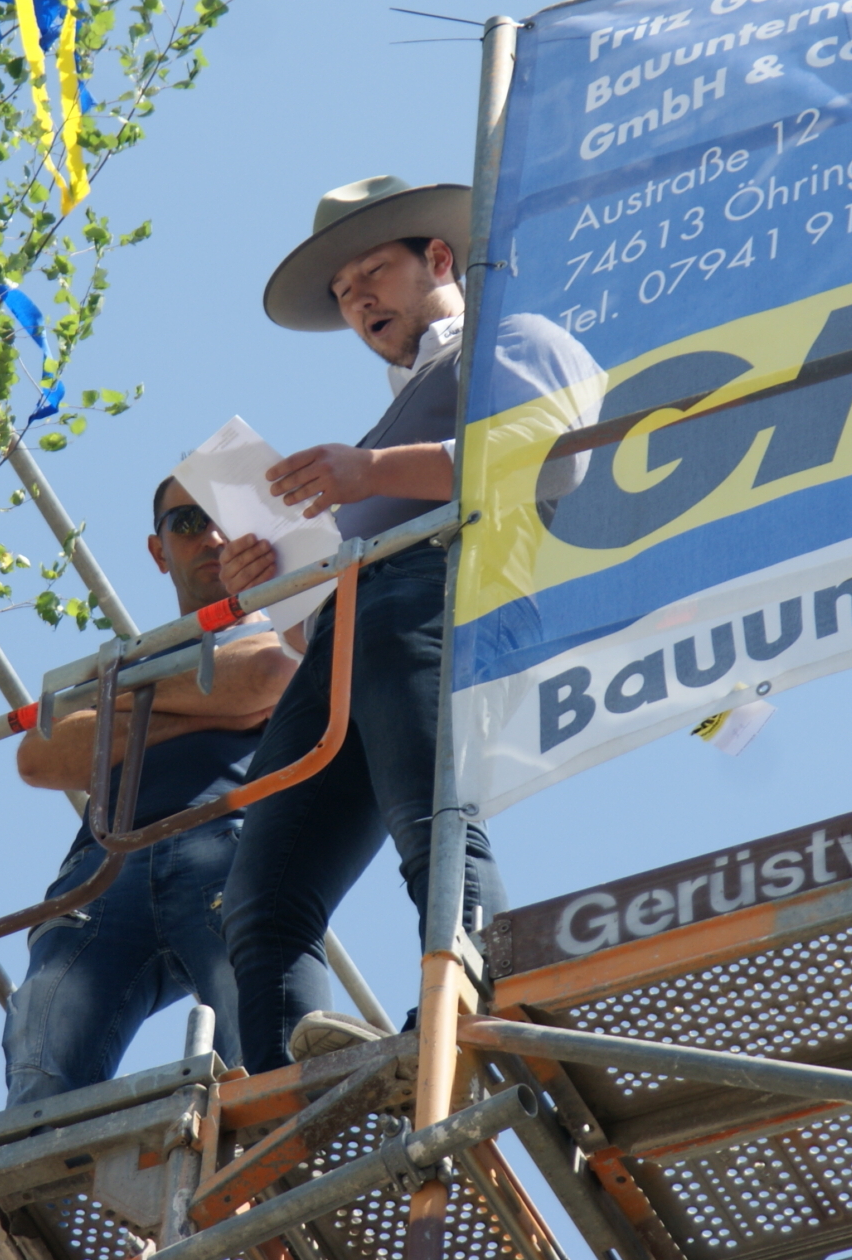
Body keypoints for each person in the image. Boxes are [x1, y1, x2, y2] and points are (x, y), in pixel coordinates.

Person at [218, 174, 599, 1072]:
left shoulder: (516, 337)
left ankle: (469, 1008)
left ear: (438, 258)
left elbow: (549, 460)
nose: (357, 301)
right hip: (348, 640)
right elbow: (311, 630)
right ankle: (289, 1099)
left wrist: (371, 472)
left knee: (433, 822)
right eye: (343, 293)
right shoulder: (386, 422)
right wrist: (274, 584)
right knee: (260, 899)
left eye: (371, 274)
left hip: (445, 597)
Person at [1, 478, 301, 1104]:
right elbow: (38, 756)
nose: (210, 536)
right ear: (158, 550)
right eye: (187, 521)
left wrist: (118, 705)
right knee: (40, 1086)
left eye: (222, 516)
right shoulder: (125, 661)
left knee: (264, 1065)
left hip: (225, 843)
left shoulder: (288, 631)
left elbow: (266, 676)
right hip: (103, 869)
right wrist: (213, 704)